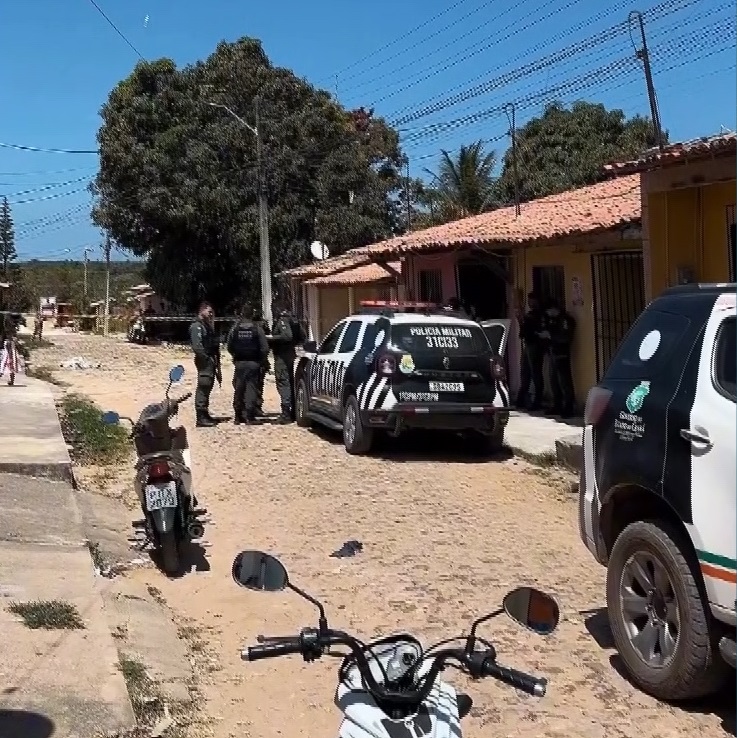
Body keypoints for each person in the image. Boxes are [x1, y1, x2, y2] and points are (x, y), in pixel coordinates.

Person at [226, 303, 269, 425]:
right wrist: (261, 360)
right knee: (251, 388)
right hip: (253, 363)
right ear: (252, 314)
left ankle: (238, 416)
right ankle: (250, 417)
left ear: (242, 314)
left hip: (239, 363)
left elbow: (229, 345)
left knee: (239, 388)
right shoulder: (257, 329)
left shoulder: (235, 328)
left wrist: (235, 356)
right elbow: (265, 348)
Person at [189, 302, 221, 428]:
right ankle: (201, 416)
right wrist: (207, 359)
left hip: (210, 359)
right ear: (201, 311)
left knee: (208, 386)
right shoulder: (197, 326)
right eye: (209, 311)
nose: (211, 314)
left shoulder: (207, 325)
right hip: (204, 361)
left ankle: (205, 413)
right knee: (204, 385)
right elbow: (197, 347)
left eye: (212, 312)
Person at [542, 298, 576, 418]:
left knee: (564, 381)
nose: (548, 313)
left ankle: (569, 407)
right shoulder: (554, 320)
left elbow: (565, 337)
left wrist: (550, 336)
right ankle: (557, 405)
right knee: (554, 381)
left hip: (562, 353)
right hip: (553, 352)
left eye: (549, 310)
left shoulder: (564, 320)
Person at [515, 292, 546, 411]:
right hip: (528, 344)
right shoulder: (530, 314)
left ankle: (537, 401)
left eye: (532, 300)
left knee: (535, 373)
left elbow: (537, 329)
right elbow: (524, 328)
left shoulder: (540, 315)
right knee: (525, 373)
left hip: (535, 345)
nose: (530, 303)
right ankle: (522, 399)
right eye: (529, 300)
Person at [269, 300, 298, 424]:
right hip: (290, 354)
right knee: (290, 382)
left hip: (282, 356)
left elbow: (287, 336)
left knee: (283, 382)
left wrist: (271, 338)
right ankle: (292, 411)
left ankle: (286, 412)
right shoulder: (292, 319)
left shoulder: (282, 320)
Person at [253, 307, 271, 417]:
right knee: (258, 385)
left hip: (252, 359)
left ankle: (253, 407)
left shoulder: (242, 325)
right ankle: (256, 407)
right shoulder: (262, 326)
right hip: (259, 359)